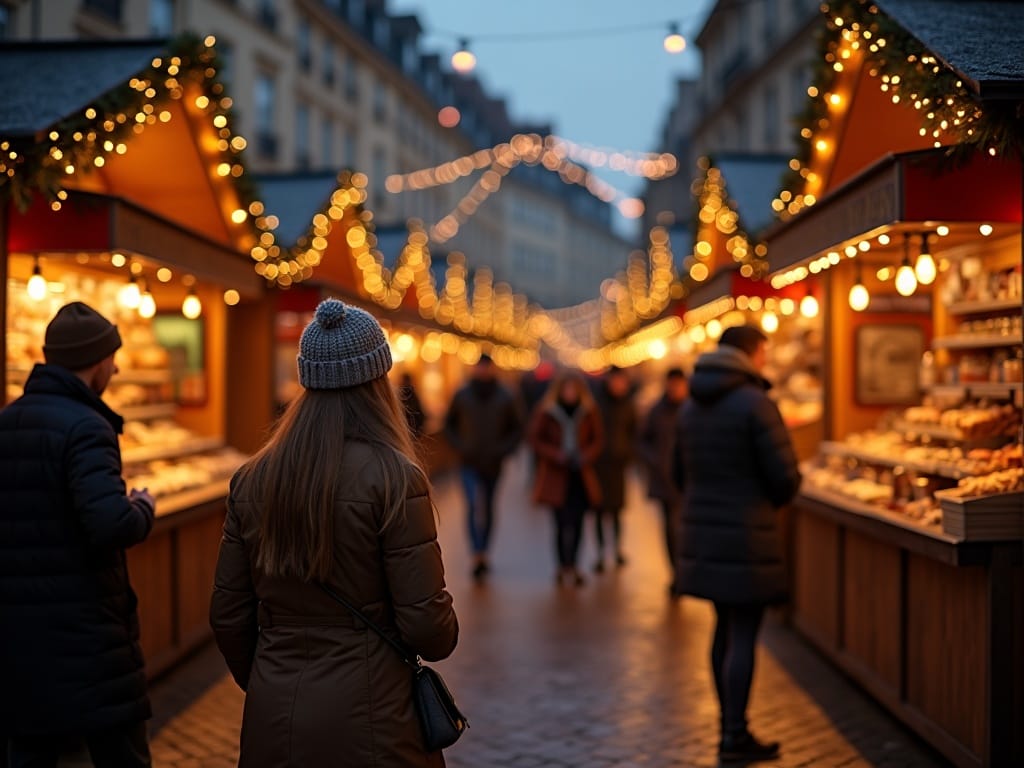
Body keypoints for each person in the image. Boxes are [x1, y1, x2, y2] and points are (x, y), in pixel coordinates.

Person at [210, 299, 458, 767]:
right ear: (376, 382)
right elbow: (429, 629)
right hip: (376, 718)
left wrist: (268, 679)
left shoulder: (253, 478)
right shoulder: (393, 478)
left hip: (274, 714)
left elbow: (228, 614)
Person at [0, 301, 156, 768]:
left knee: (31, 750)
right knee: (121, 753)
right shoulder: (87, 427)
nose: (118, 365)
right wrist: (143, 507)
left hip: (19, 632)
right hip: (87, 633)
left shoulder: (8, 420)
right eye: (113, 355)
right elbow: (111, 523)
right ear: (97, 360)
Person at [672, 325, 801, 763]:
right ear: (753, 353)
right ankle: (735, 734)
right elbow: (784, 478)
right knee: (744, 632)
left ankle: (729, 728)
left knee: (723, 629)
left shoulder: (690, 405)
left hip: (704, 533)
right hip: (748, 534)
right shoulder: (757, 404)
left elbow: (677, 474)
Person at [443, 353, 522, 581]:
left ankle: (484, 550)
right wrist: (460, 446)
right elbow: (450, 425)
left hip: (493, 462)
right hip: (468, 462)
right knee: (472, 505)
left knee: (487, 505)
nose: (484, 371)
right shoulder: (462, 395)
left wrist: (503, 449)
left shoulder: (505, 396)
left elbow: (517, 428)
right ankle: (476, 553)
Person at [527, 370, 604, 587]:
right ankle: (562, 565)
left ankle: (575, 565)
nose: (570, 393)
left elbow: (597, 439)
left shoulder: (589, 411)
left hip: (580, 474)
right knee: (560, 523)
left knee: (578, 523)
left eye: (573, 389)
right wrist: (555, 454)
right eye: (566, 389)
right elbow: (535, 438)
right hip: (556, 475)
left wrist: (586, 455)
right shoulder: (547, 411)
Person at [636, 366, 688, 589]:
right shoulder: (657, 410)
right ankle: (676, 573)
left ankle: (685, 572)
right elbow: (642, 440)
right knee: (670, 529)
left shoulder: (692, 409)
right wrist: (656, 460)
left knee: (685, 529)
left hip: (689, 481)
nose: (675, 388)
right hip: (665, 480)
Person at [591, 366, 638, 571]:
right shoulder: (597, 405)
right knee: (600, 511)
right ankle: (601, 552)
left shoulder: (628, 405)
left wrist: (629, 454)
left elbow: (634, 432)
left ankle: (617, 549)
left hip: (619, 465)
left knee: (617, 510)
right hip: (599, 464)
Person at [397, 371, 426, 438]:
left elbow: (419, 413)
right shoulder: (408, 395)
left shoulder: (409, 396)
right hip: (408, 432)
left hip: (410, 432)